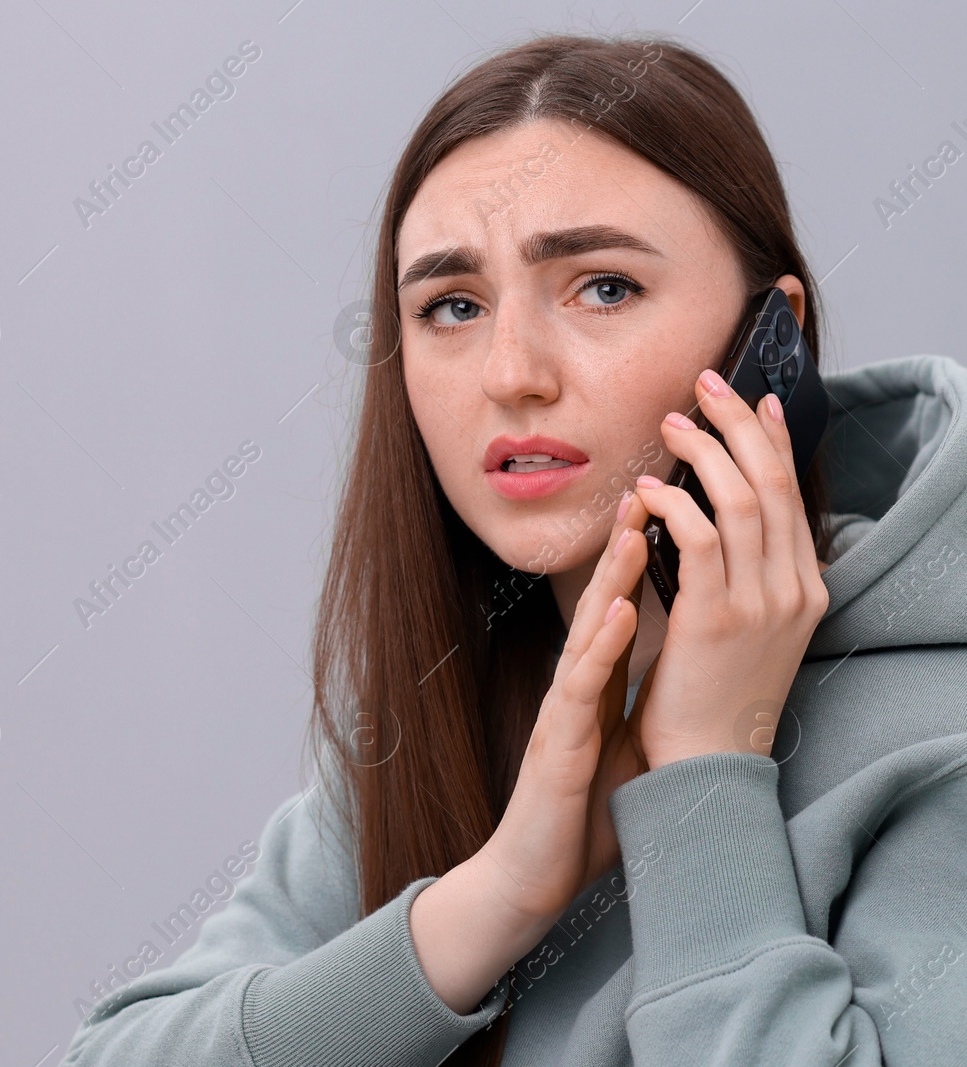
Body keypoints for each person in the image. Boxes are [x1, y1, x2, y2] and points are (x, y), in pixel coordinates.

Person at [61, 33, 967, 1066]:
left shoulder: (939, 729)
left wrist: (707, 767)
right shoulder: (451, 699)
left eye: (603, 288)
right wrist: (496, 896)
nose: (510, 372)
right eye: (452, 306)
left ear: (774, 337)